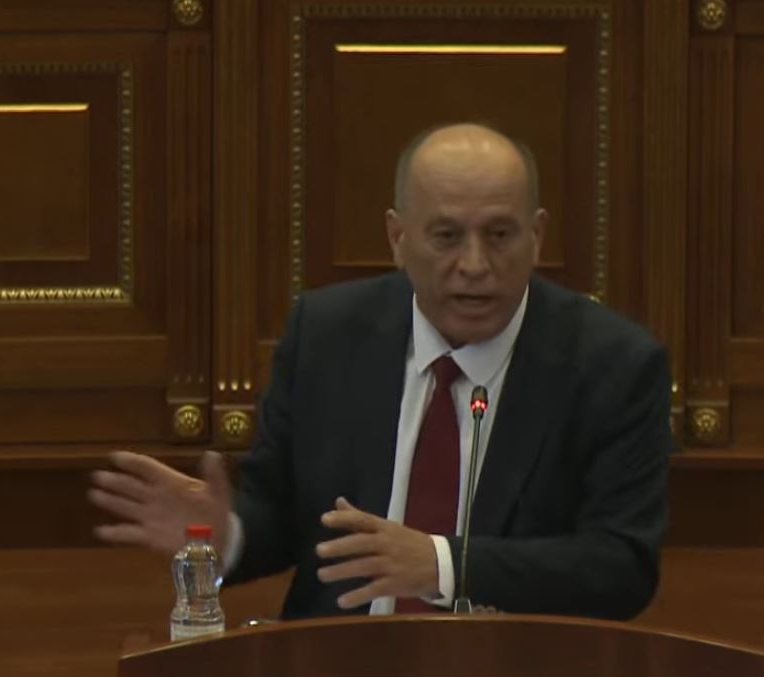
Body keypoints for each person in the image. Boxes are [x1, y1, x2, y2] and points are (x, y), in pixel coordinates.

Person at [89, 122, 671, 619]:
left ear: (536, 236)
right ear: (398, 238)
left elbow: (621, 566)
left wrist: (442, 564)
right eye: (446, 236)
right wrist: (227, 536)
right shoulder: (327, 335)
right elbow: (284, 514)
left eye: (499, 236)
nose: (474, 264)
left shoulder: (612, 365)